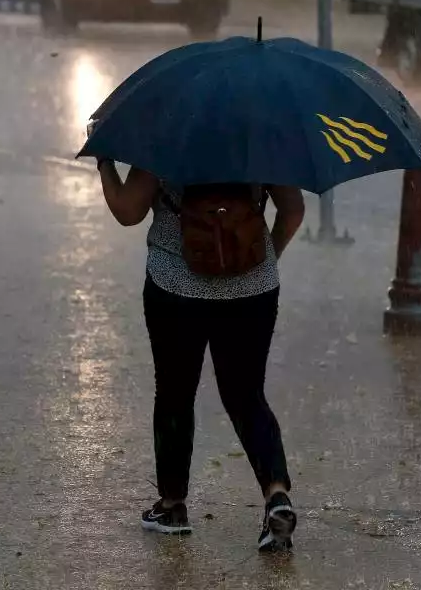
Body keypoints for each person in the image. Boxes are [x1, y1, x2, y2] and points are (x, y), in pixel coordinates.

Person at [94, 156, 306, 552]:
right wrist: (262, 259)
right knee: (246, 396)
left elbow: (127, 210)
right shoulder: (259, 132)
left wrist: (105, 163)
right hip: (252, 290)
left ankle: (173, 506)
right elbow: (292, 210)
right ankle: (276, 494)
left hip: (175, 286)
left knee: (175, 392)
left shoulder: (169, 130)